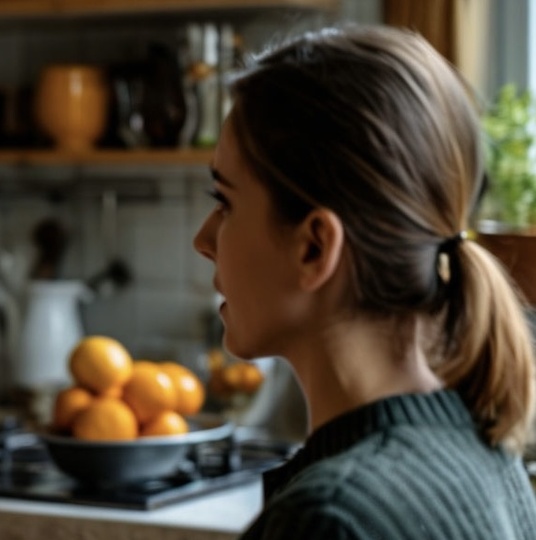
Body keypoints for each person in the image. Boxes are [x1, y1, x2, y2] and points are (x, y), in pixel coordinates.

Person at [194, 25, 536, 539]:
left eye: (226, 203)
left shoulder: (332, 518)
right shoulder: (492, 460)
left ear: (314, 247)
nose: (203, 238)